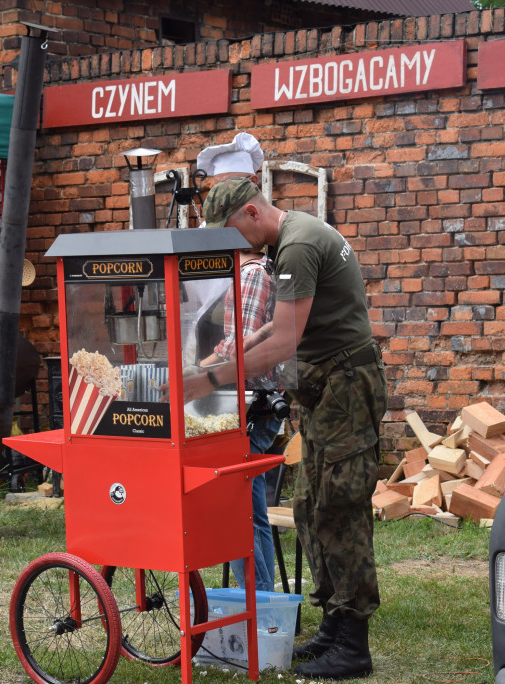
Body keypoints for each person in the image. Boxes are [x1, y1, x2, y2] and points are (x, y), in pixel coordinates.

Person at [190, 177, 387, 680]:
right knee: (312, 506)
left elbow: (282, 342)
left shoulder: (296, 245)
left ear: (252, 212)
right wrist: (223, 358)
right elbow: (268, 330)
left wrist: (209, 379)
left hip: (346, 386)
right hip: (327, 390)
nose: (234, 244)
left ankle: (353, 643)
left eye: (233, 230)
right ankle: (332, 626)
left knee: (340, 508)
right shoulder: (287, 240)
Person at [196, 132, 282, 594]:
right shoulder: (249, 270)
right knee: (248, 507)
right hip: (250, 400)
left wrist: (188, 375)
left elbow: (238, 348)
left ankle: (260, 603)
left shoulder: (250, 276)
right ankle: (256, 598)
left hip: (254, 404)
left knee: (244, 509)